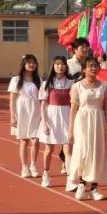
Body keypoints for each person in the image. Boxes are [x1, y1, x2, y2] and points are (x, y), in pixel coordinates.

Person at [68, 57, 107, 200]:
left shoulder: (104, 86)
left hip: (98, 121)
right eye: (90, 66)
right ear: (84, 69)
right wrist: (70, 130)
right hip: (82, 121)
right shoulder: (77, 87)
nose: (93, 68)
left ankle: (94, 187)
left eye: (95, 66)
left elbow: (106, 108)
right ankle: (81, 184)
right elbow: (73, 109)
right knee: (83, 151)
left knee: (96, 153)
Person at [38, 56, 73, 187]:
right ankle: (46, 174)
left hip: (66, 116)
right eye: (57, 64)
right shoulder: (47, 84)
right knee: (49, 148)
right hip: (52, 117)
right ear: (53, 66)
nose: (60, 66)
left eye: (62, 64)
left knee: (67, 149)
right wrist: (45, 123)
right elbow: (43, 105)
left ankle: (70, 178)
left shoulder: (71, 83)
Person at [9, 54, 43, 178]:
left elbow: (43, 97)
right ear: (24, 64)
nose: (31, 65)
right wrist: (12, 116)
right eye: (29, 62)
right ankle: (24, 167)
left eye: (33, 62)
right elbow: (12, 99)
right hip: (22, 111)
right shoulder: (16, 80)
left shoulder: (38, 80)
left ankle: (33, 165)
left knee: (35, 140)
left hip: (36, 111)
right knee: (24, 140)